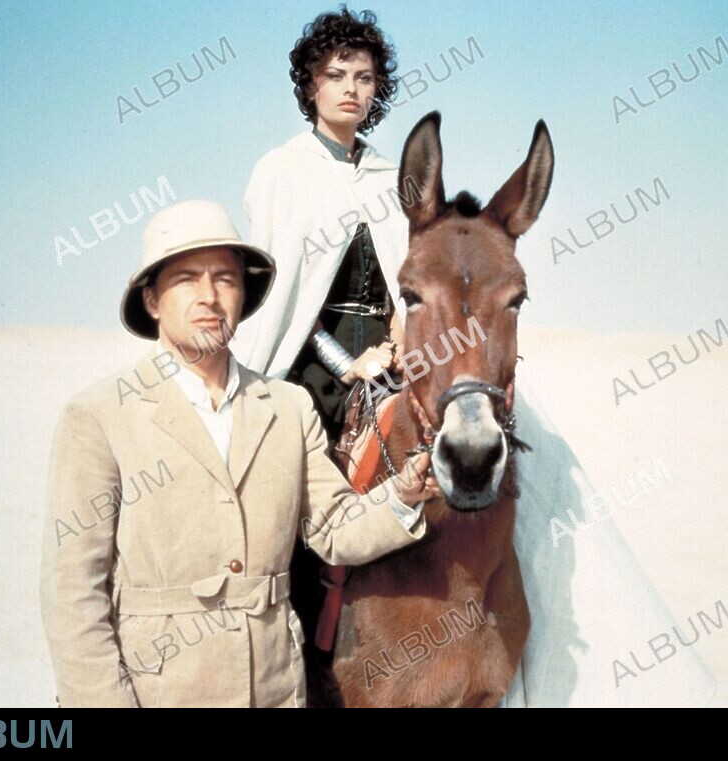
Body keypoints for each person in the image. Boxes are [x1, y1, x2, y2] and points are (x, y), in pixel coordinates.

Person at [231, 7, 716, 706]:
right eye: (335, 75)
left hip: (412, 350)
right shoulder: (282, 172)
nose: (350, 90)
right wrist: (348, 361)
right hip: (315, 360)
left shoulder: (388, 176)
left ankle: (549, 646)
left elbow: (421, 281)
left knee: (535, 456)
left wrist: (405, 340)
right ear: (309, 85)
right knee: (281, 495)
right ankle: (293, 654)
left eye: (364, 78)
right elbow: (283, 297)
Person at [39, 199, 437, 708]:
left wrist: (401, 496)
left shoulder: (289, 407)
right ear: (152, 300)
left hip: (275, 690)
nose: (209, 295)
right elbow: (73, 593)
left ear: (244, 296)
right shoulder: (98, 416)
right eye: (186, 279)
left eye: (225, 279)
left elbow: (335, 528)